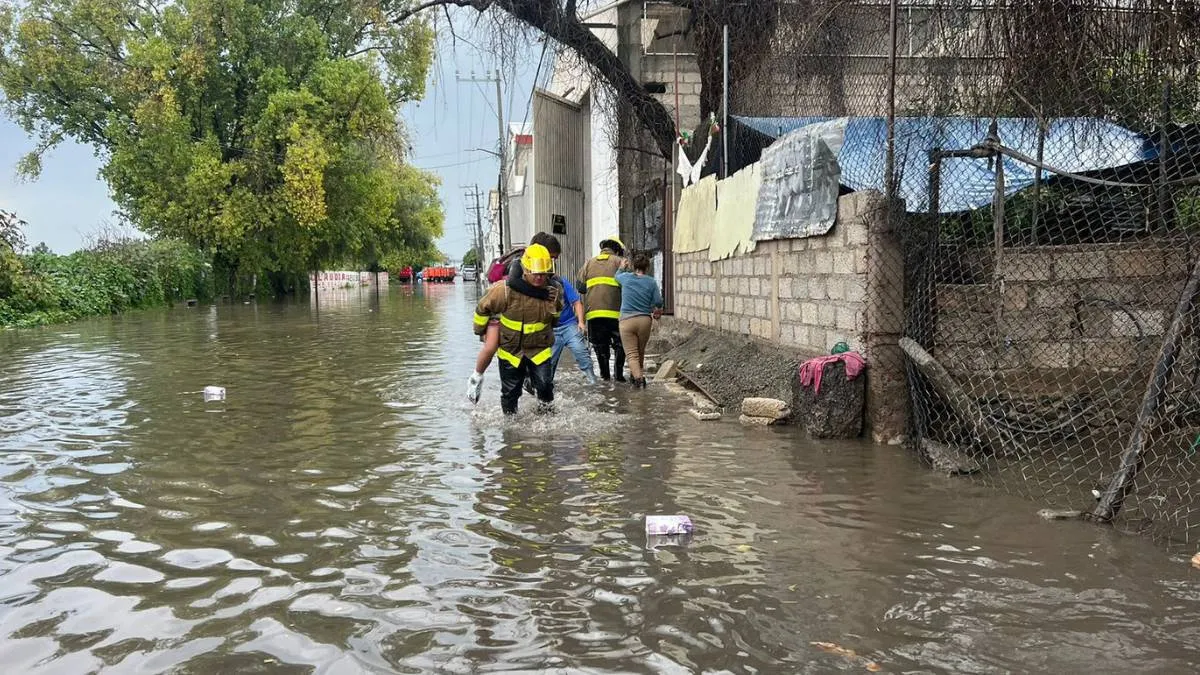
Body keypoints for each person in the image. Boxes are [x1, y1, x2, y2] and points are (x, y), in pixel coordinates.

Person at [471, 244, 563, 415]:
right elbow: (482, 308)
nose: (539, 278)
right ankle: (510, 429)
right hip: (511, 351)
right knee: (510, 392)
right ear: (526, 270)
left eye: (543, 274)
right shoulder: (504, 291)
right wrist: (480, 331)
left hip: (539, 350)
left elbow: (556, 317)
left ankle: (548, 422)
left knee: (545, 387)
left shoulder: (553, 291)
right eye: (535, 274)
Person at [577, 237, 629, 382]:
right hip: (617, 314)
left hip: (594, 314)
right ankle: (618, 376)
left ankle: (605, 377)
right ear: (617, 250)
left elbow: (580, 288)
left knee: (600, 347)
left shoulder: (588, 263)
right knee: (620, 344)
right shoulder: (621, 262)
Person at [616, 254, 664, 388]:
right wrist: (658, 309)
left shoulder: (625, 278)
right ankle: (636, 376)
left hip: (626, 321)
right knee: (640, 351)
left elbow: (616, 276)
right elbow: (658, 302)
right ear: (647, 267)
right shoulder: (651, 282)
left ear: (633, 266)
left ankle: (639, 380)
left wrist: (621, 268)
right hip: (644, 320)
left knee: (631, 354)